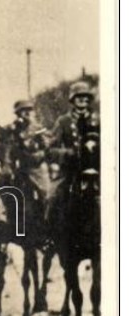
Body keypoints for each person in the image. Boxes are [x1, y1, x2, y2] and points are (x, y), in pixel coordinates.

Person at [47, 80, 100, 227]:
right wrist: (68, 153)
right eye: (79, 96)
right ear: (73, 99)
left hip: (97, 168)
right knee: (52, 197)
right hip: (71, 170)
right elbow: (50, 149)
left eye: (86, 96)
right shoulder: (63, 121)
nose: (83, 99)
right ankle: (50, 237)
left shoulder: (99, 120)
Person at [0, 99, 51, 202]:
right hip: (18, 167)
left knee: (47, 194)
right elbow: (1, 148)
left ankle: (49, 216)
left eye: (29, 110)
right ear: (18, 113)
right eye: (23, 110)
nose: (27, 113)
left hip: (36, 166)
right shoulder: (10, 129)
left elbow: (48, 146)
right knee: (9, 193)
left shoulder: (37, 128)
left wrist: (40, 153)